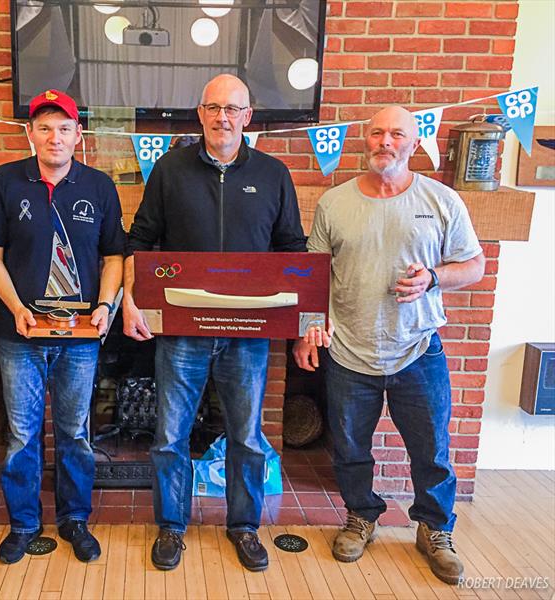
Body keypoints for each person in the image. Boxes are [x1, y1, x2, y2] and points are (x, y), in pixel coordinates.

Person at [124, 74, 310, 572]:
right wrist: (132, 299)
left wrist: (303, 317)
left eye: (232, 108)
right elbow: (140, 240)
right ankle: (171, 526)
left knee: (248, 437)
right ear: (200, 114)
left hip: (248, 336)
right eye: (213, 107)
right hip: (183, 332)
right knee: (169, 435)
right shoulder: (170, 169)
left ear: (248, 116)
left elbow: (293, 249)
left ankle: (244, 527)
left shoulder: (273, 174)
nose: (222, 117)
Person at [293, 105, 486, 585]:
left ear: (415, 141)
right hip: (348, 351)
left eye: (396, 134)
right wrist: (307, 329)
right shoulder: (334, 203)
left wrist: (434, 279)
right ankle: (361, 516)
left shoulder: (441, 200)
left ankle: (435, 529)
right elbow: (313, 275)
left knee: (432, 450)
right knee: (351, 449)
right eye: (377, 132)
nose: (385, 141)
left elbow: (475, 265)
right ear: (365, 139)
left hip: (419, 350)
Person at [0, 90, 125, 564]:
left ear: (78, 135)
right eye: (44, 127)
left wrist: (105, 305)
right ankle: (23, 523)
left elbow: (114, 257)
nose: (54, 137)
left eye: (64, 128)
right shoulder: (4, 182)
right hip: (18, 334)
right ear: (30, 133)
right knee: (22, 434)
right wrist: (18, 307)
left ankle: (74, 519)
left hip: (80, 336)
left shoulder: (99, 186)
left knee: (74, 431)